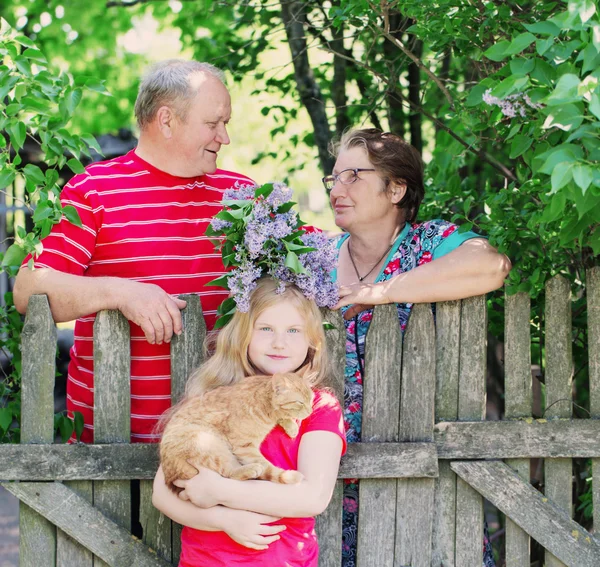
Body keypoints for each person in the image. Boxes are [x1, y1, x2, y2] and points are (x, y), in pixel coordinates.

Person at [12, 60, 255, 443]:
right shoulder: (93, 190)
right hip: (110, 442)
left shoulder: (241, 195)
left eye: (225, 124)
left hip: (218, 445)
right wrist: (121, 292)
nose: (224, 137)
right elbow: (28, 289)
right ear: (167, 120)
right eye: (213, 124)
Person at [324, 128, 511, 567]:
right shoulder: (317, 255)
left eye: (353, 175)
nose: (338, 189)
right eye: (333, 179)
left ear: (396, 188)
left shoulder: (428, 244)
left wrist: (382, 291)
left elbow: (491, 265)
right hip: (331, 470)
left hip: (423, 461)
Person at [152, 277, 346, 567]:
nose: (279, 342)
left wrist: (220, 491)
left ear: (312, 342)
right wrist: (221, 519)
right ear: (243, 335)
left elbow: (313, 497)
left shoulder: (319, 408)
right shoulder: (215, 399)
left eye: (294, 330)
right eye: (265, 328)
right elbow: (162, 494)